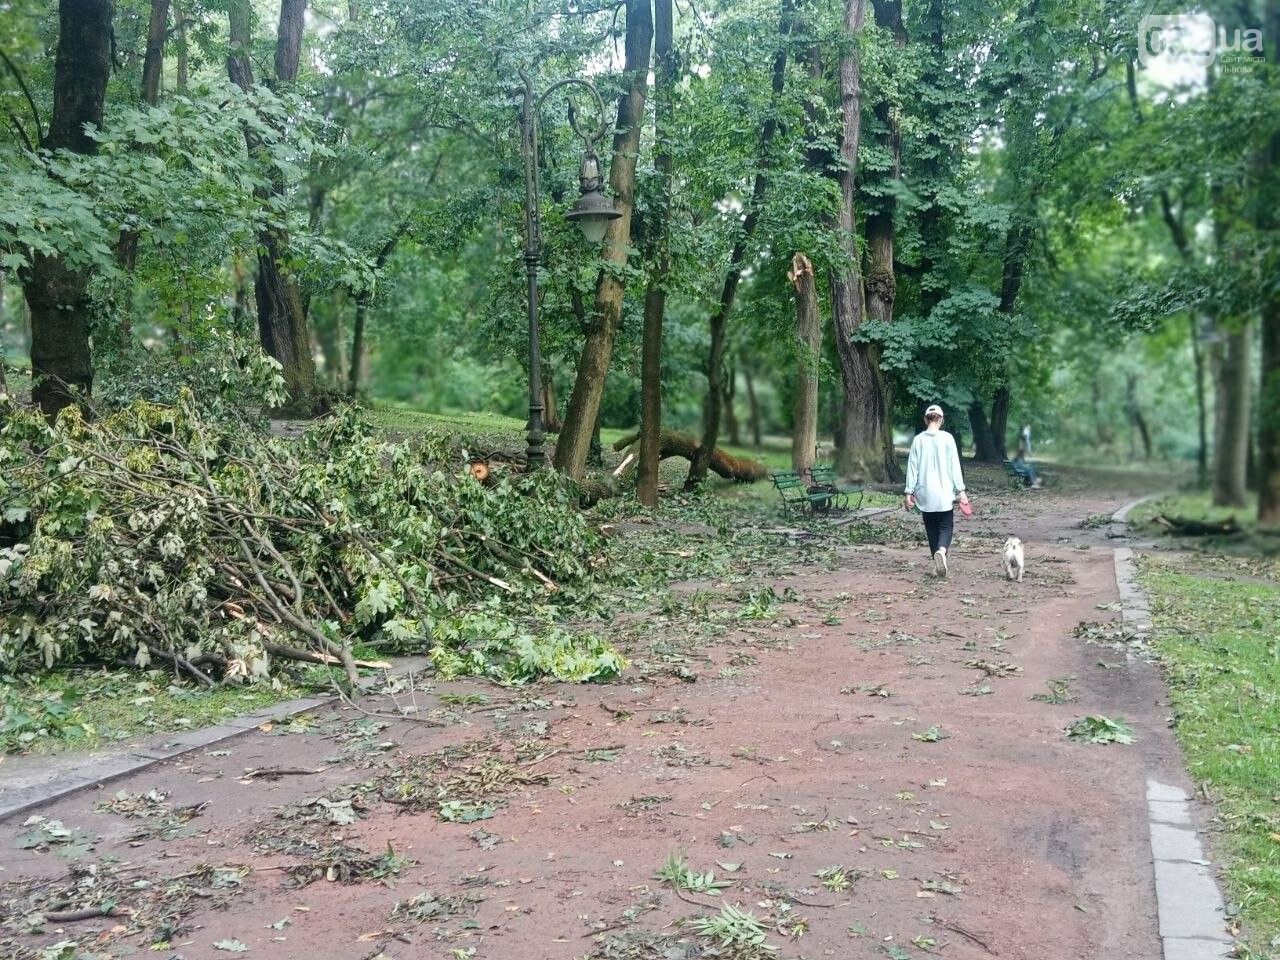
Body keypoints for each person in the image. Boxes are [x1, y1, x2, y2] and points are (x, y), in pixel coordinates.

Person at [903, 404, 969, 578]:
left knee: (931, 529)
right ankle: (941, 551)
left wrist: (908, 492)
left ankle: (937, 562)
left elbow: (912, 467)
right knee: (946, 526)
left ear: (926, 420)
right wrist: (961, 491)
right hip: (944, 493)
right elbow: (955, 466)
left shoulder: (918, 440)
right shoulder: (948, 438)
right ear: (941, 419)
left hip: (925, 494)